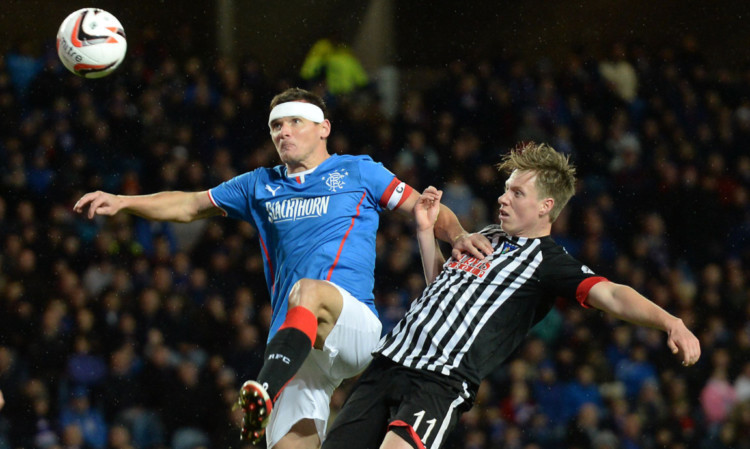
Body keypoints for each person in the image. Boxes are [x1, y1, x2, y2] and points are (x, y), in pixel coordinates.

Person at [73, 87, 491, 449]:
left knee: (307, 291)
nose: (283, 132)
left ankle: (264, 390)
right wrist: (125, 202)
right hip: (294, 345)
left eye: (294, 122)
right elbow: (189, 204)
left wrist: (457, 236)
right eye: (276, 126)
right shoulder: (259, 184)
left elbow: (426, 208)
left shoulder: (358, 171)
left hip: (353, 325)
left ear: (323, 128)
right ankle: (271, 393)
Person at [321, 142, 701, 449]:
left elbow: (614, 295)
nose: (503, 198)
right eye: (505, 189)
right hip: (389, 361)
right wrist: (424, 234)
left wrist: (671, 321)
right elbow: (441, 291)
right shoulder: (486, 236)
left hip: (437, 381)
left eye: (517, 192)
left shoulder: (549, 261)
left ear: (545, 207)